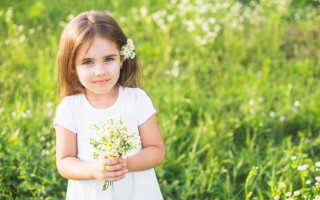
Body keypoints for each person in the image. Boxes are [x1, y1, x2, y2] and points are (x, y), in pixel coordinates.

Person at [54, 11, 165, 200]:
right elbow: (64, 162)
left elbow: (156, 150)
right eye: (88, 62)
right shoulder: (70, 108)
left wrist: (125, 164)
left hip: (137, 193)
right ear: (72, 67)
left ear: (121, 59)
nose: (100, 71)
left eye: (109, 59)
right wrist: (93, 170)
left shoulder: (136, 99)